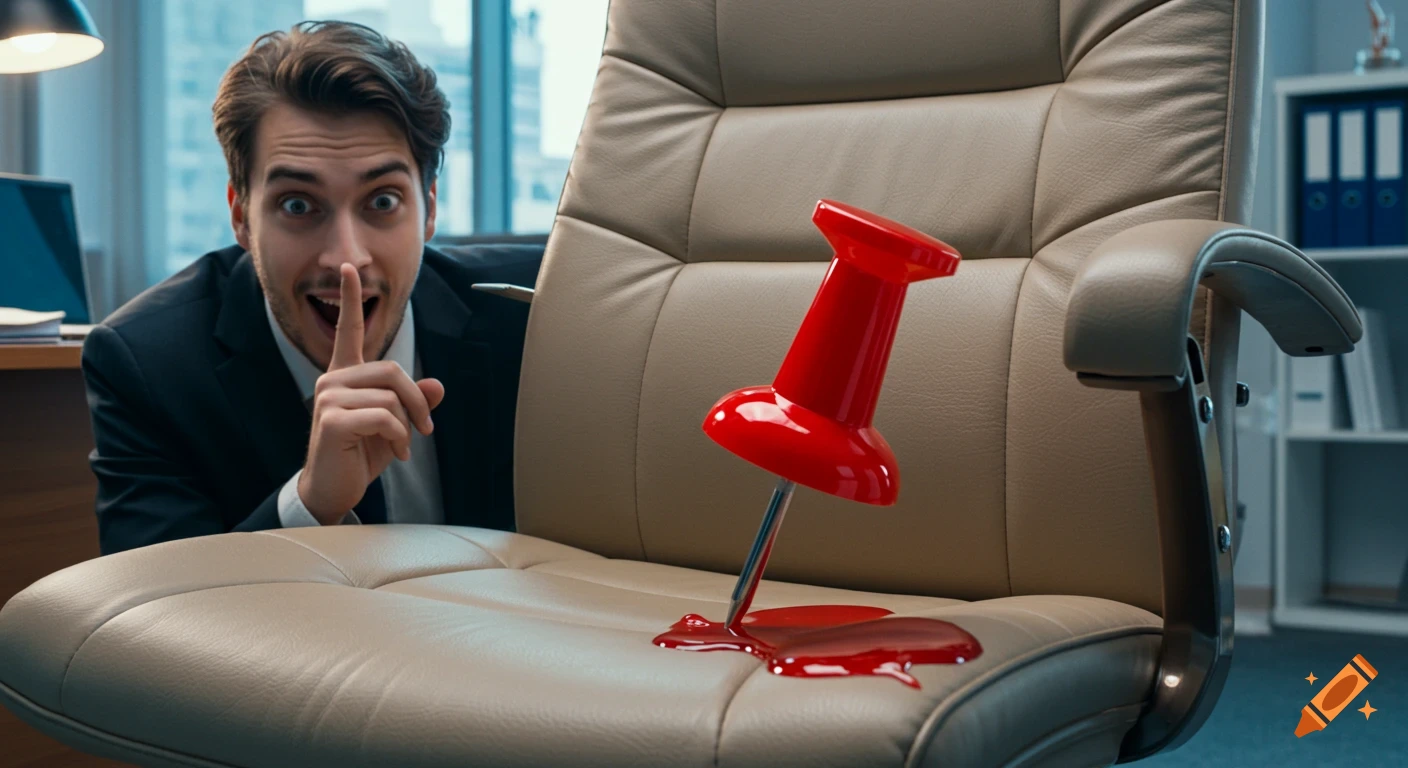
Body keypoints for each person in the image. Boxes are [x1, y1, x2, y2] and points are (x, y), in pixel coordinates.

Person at [81, 21, 539, 555]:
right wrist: (310, 504)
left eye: (383, 201)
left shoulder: (532, 313)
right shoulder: (148, 364)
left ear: (429, 209)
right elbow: (150, 599)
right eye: (298, 205)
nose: (346, 258)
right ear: (241, 217)